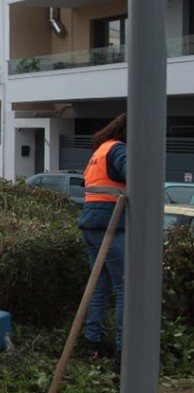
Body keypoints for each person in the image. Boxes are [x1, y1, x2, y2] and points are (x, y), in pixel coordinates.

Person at [79, 113, 127, 364]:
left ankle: (92, 344)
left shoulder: (100, 150)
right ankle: (124, 351)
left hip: (92, 223)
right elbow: (138, 179)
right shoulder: (119, 150)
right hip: (110, 225)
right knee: (124, 287)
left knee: (99, 287)